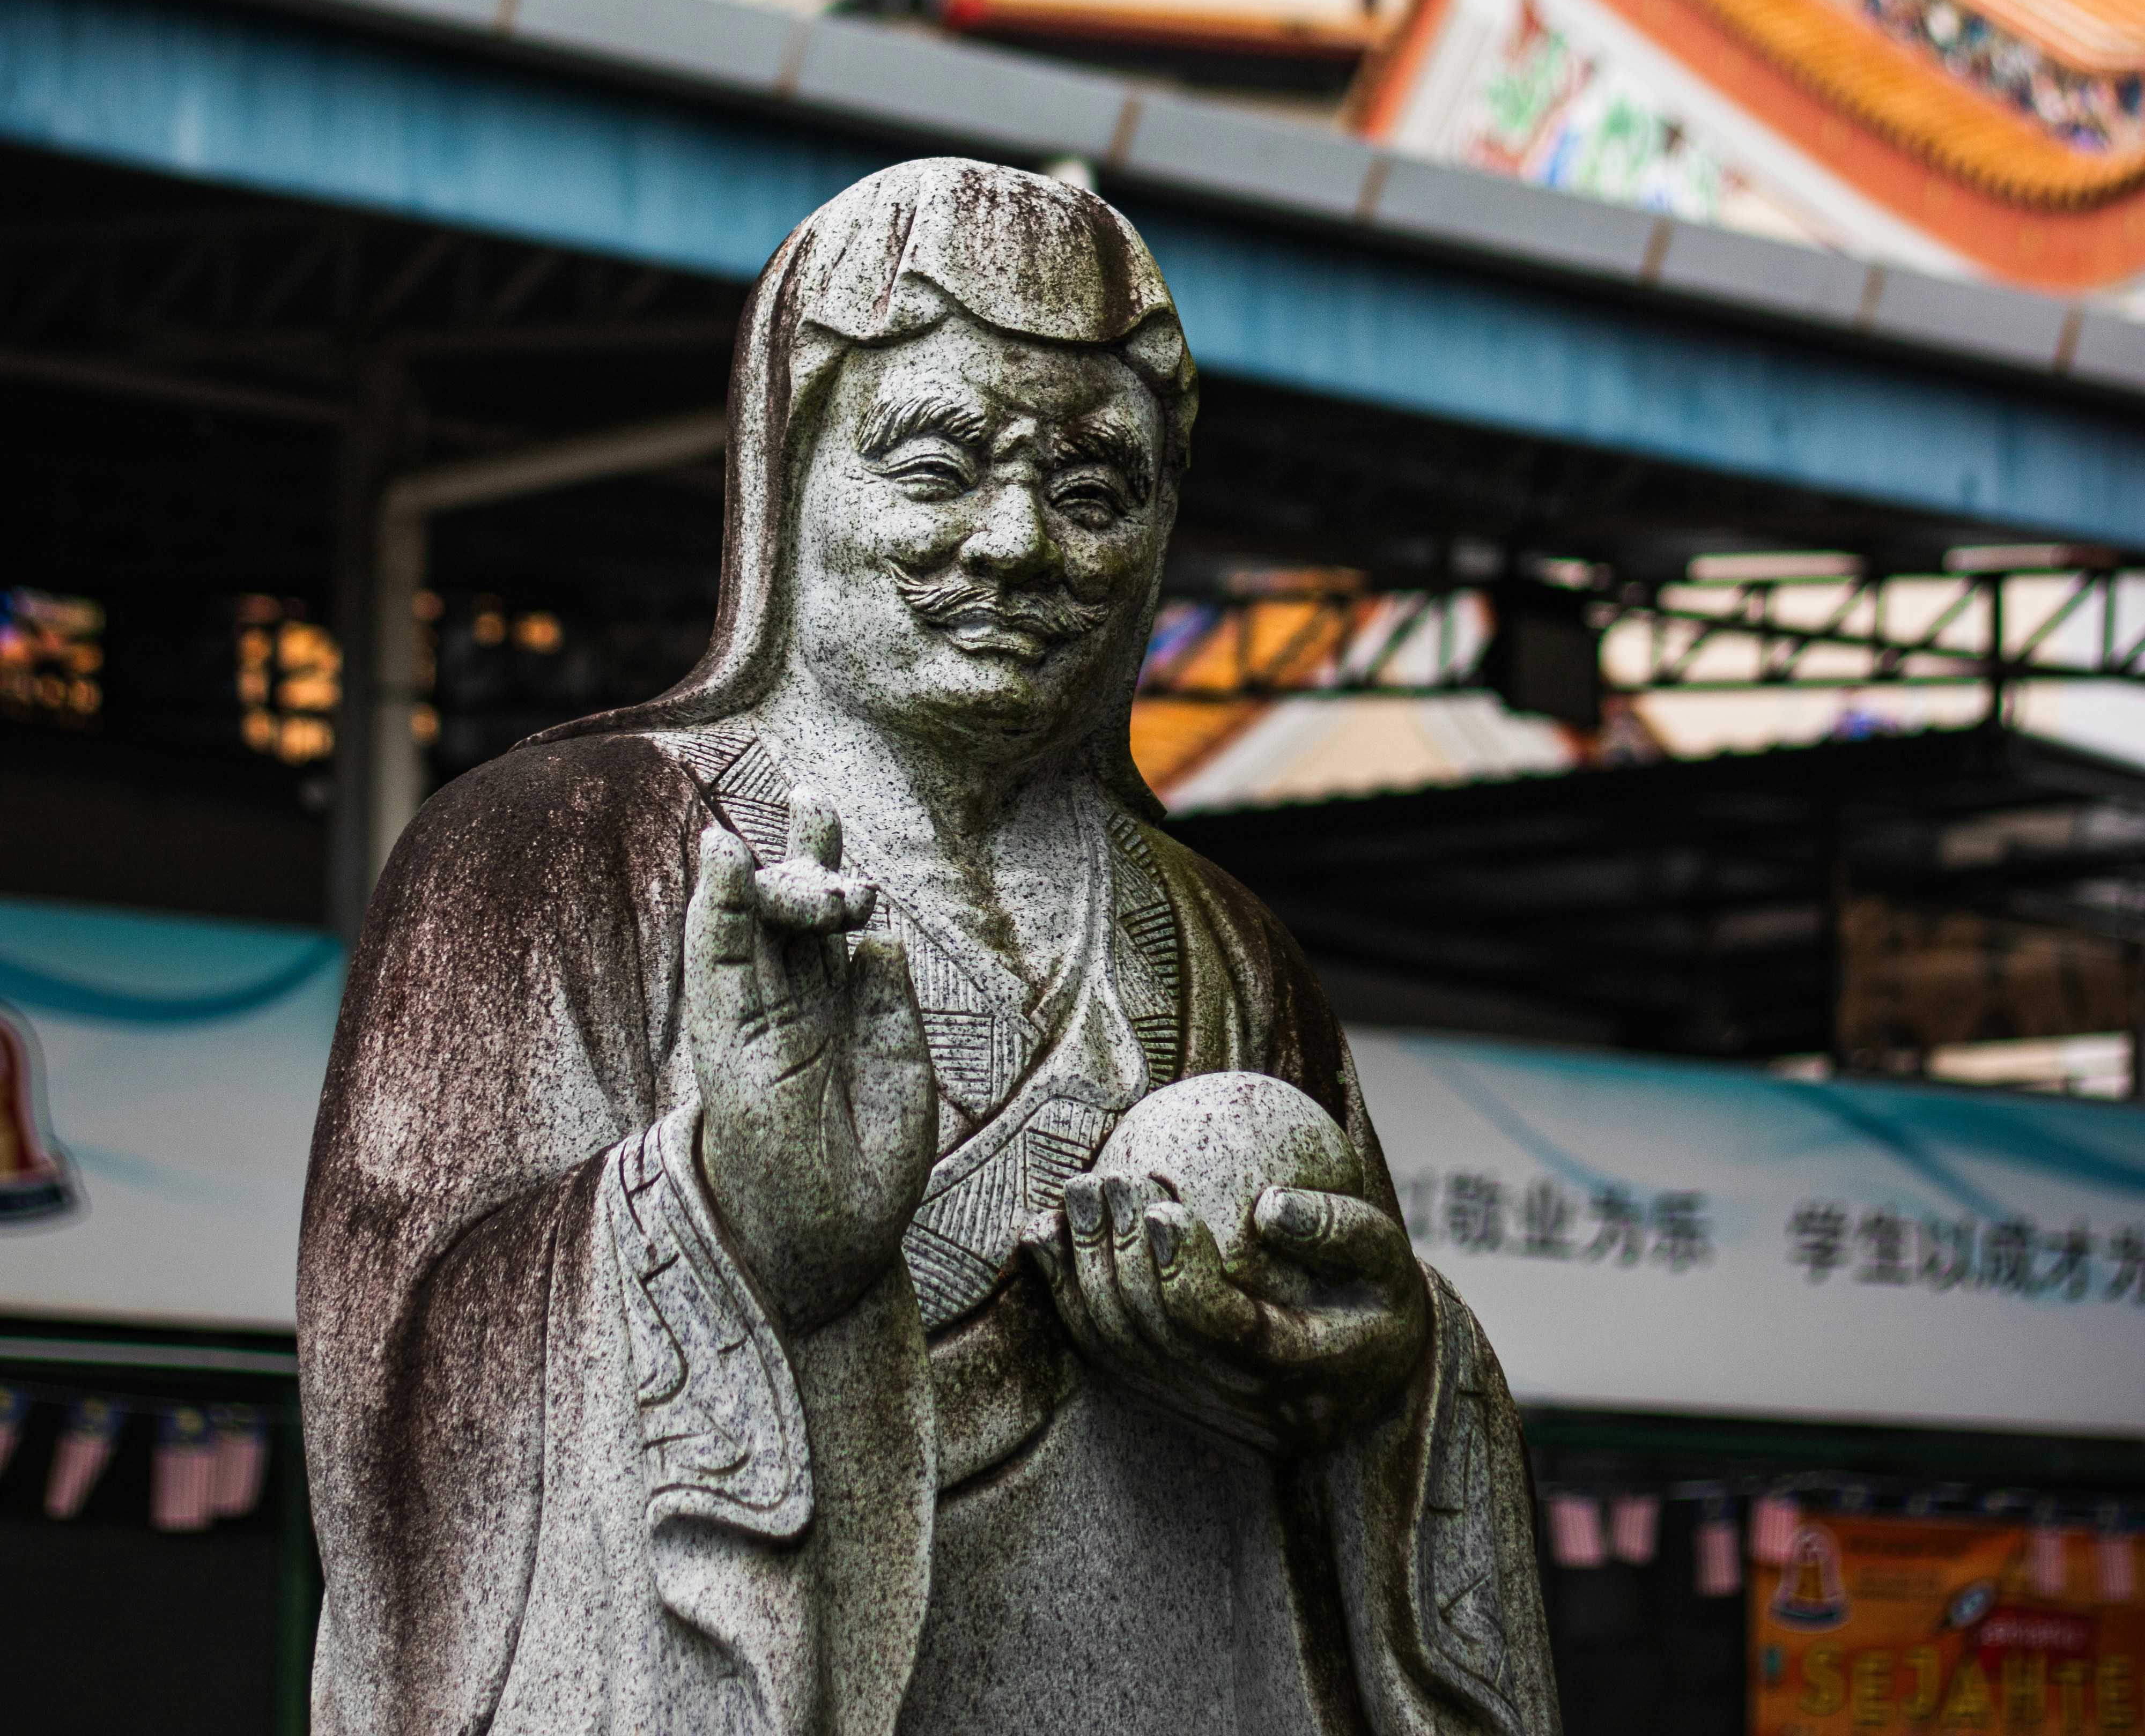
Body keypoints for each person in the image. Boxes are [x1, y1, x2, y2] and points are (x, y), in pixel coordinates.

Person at [300, 158, 1557, 1736]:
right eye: (939, 465)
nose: (1018, 543)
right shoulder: (551, 853)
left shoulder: (1229, 954)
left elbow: (1369, 1376)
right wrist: (732, 1216)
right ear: (792, 477)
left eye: (1094, 493)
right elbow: (392, 1406)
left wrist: (1375, 1371)